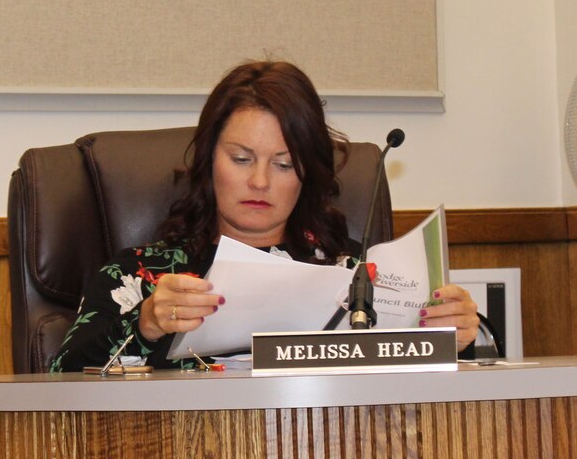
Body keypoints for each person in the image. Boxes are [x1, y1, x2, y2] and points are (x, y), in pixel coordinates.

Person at [50, 60, 479, 372]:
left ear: (308, 173)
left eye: (284, 164)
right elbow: (58, 380)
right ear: (208, 160)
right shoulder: (139, 276)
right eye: (241, 159)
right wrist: (145, 325)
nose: (259, 182)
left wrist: (453, 340)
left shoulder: (358, 276)